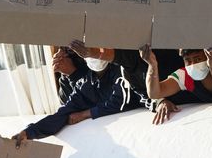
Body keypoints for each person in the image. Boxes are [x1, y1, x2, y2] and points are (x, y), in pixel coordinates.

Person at [12, 48, 141, 145]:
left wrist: (86, 114)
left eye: (97, 49)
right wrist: (28, 133)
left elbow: (121, 101)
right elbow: (62, 113)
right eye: (89, 51)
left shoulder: (121, 69)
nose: (94, 54)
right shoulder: (86, 83)